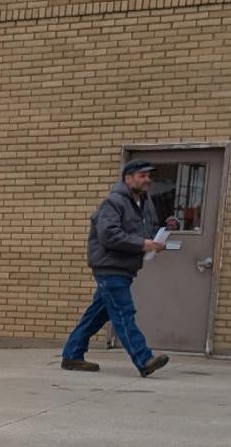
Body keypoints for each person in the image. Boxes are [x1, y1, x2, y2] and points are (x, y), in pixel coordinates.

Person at [61, 159, 178, 377]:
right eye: (142, 176)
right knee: (124, 313)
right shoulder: (113, 203)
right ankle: (144, 360)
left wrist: (159, 235)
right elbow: (109, 235)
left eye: (149, 176)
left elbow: (146, 231)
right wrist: (143, 244)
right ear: (128, 178)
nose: (147, 180)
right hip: (109, 266)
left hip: (124, 268)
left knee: (97, 313)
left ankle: (72, 354)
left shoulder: (145, 203)